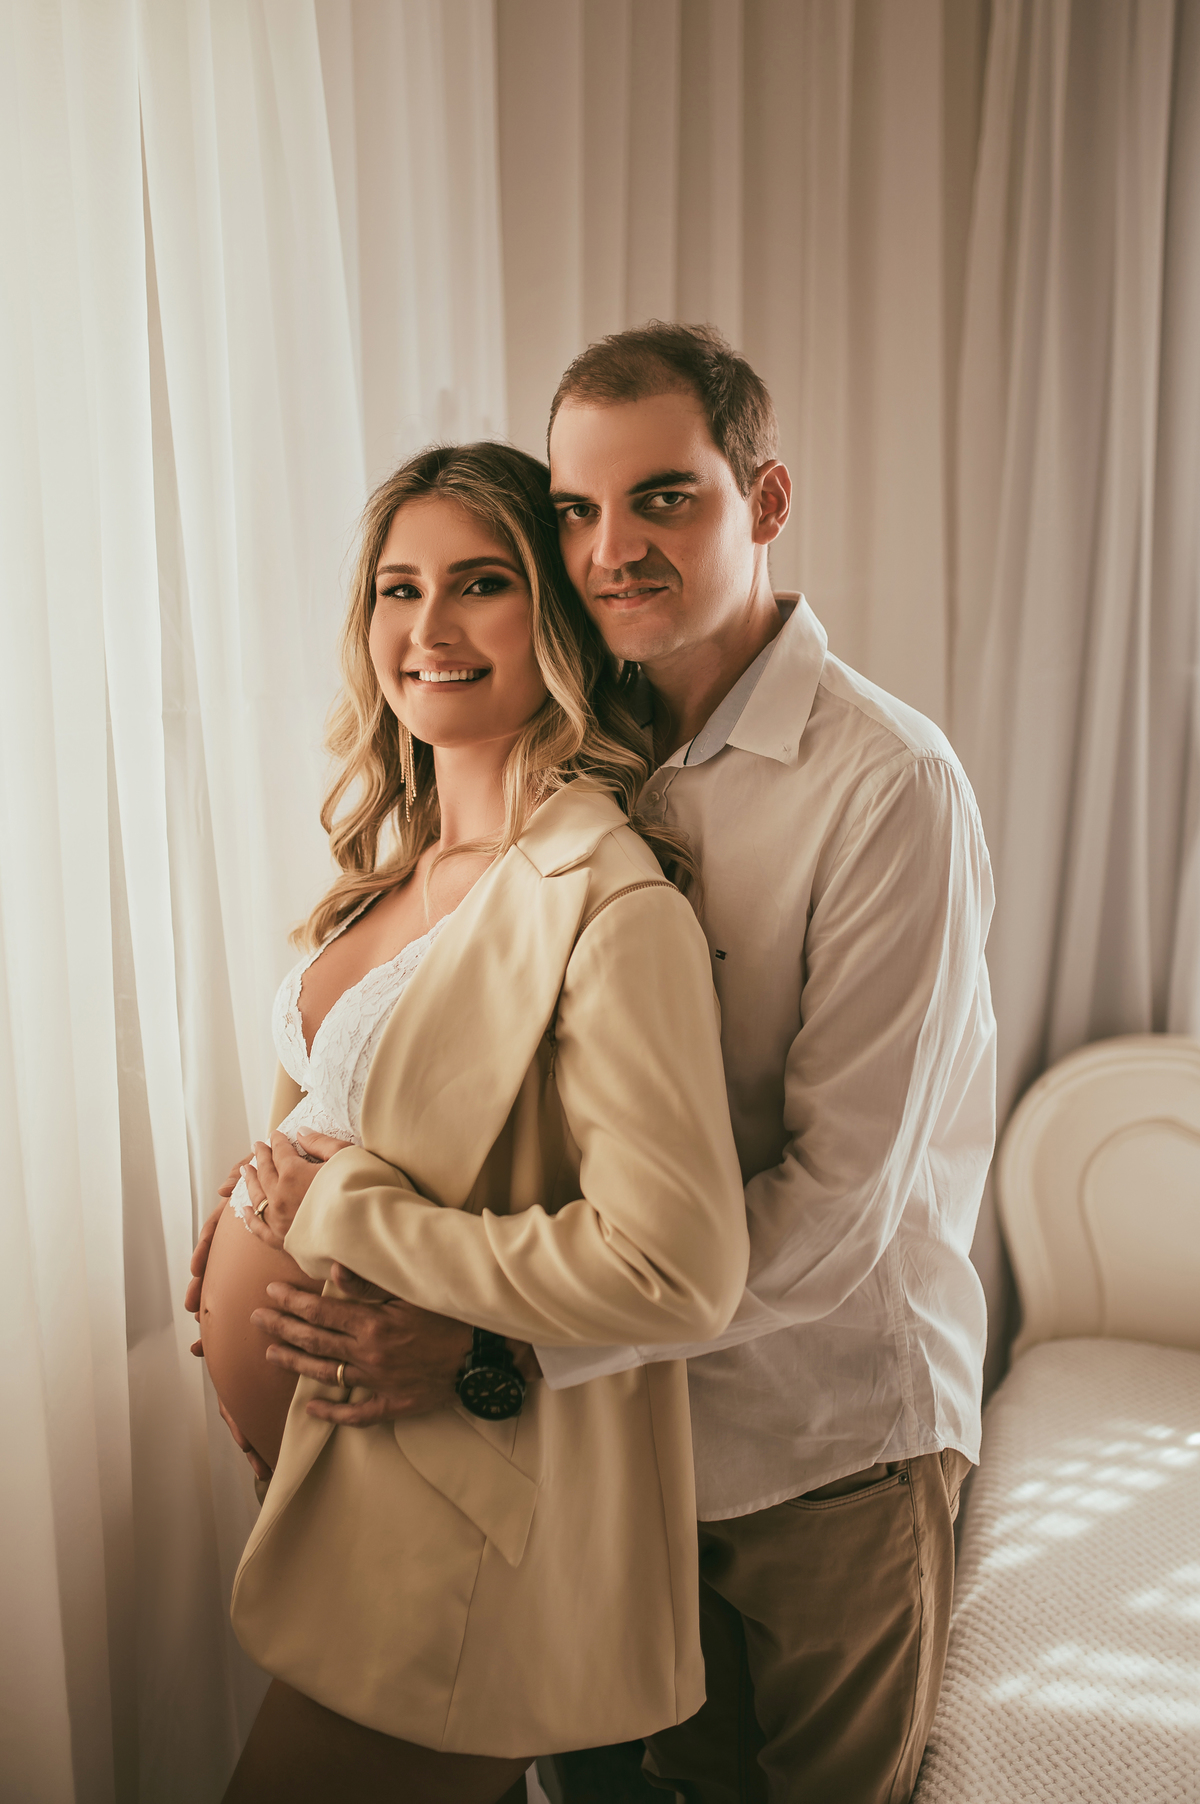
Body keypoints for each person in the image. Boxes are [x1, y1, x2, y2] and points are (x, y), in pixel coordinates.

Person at [205, 324, 997, 1804]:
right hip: (598, 1439)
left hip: (820, 1438)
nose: (612, 548)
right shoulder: (581, 748)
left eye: (665, 499)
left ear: (765, 501)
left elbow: (836, 1206)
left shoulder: (885, 785)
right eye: (576, 508)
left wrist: (494, 1346)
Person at [189, 439, 750, 1804]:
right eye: (400, 588)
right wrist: (243, 1230)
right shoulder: (388, 868)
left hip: (459, 1517)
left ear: (555, 619)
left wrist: (334, 1216)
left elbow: (678, 1269)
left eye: (481, 583)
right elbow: (351, 1127)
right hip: (340, 1478)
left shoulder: (607, 900)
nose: (429, 628)